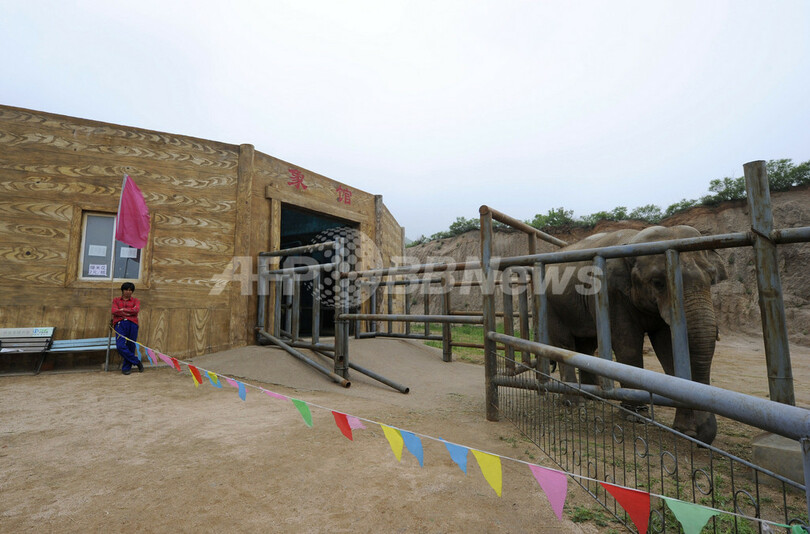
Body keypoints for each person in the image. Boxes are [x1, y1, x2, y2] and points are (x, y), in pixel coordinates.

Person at [112, 282, 143, 375]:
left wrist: (121, 310)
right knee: (120, 345)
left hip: (132, 324)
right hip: (120, 324)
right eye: (126, 290)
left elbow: (136, 310)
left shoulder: (135, 300)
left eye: (130, 290)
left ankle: (126, 368)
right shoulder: (116, 300)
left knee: (131, 345)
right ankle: (137, 361)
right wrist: (129, 312)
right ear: (122, 290)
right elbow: (114, 311)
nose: (128, 292)